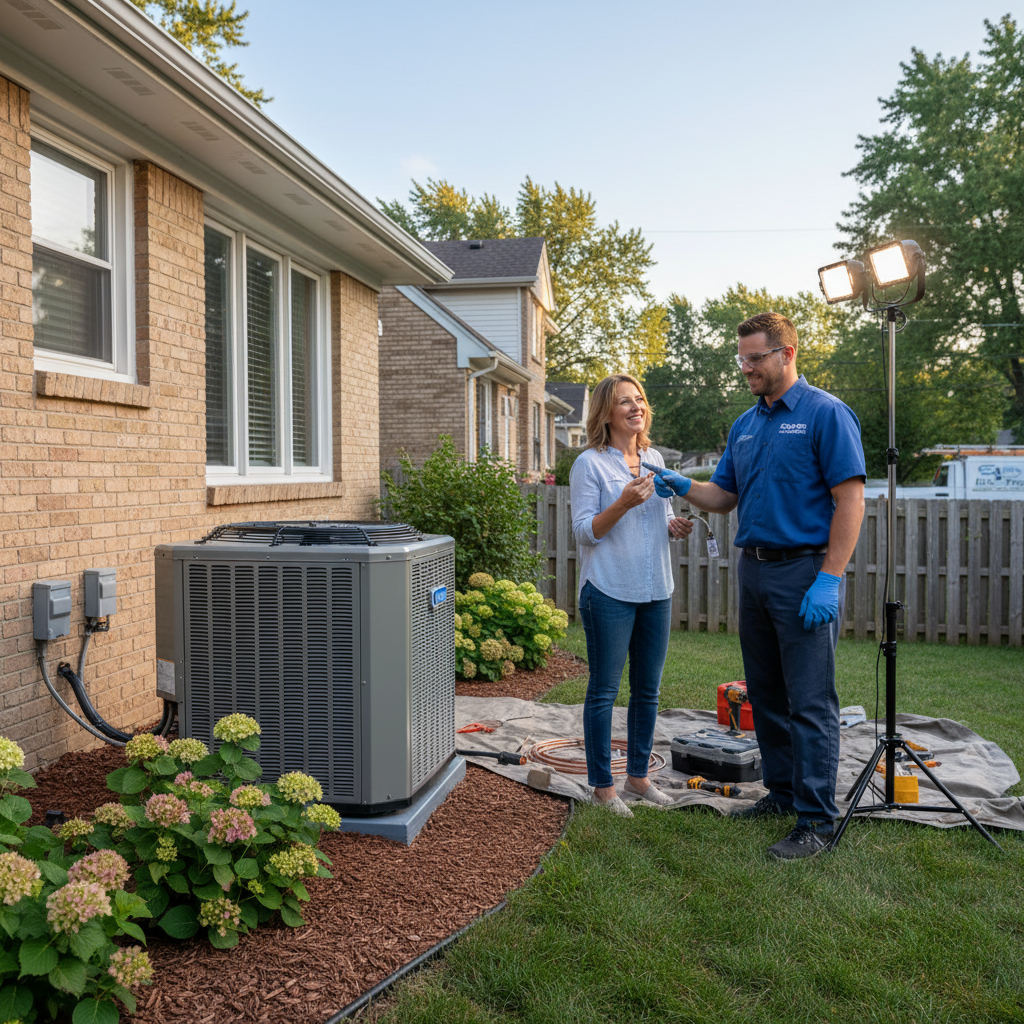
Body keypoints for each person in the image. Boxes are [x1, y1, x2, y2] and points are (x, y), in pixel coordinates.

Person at [649, 312, 865, 859]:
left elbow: (850, 501)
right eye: (741, 358)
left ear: (787, 353)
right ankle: (782, 793)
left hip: (804, 572)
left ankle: (816, 821)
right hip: (756, 570)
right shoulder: (745, 425)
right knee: (765, 693)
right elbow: (724, 496)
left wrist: (829, 578)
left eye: (755, 358)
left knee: (810, 700)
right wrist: (683, 485)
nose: (746, 367)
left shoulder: (826, 415)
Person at [569, 374, 694, 817]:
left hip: (656, 588)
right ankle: (602, 787)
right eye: (625, 401)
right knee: (604, 691)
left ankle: (638, 778)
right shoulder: (590, 464)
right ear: (607, 412)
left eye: (639, 399)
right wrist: (621, 503)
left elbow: (657, 517)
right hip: (609, 590)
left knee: (648, 690)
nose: (636, 407)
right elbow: (584, 533)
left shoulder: (654, 457)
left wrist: (672, 526)